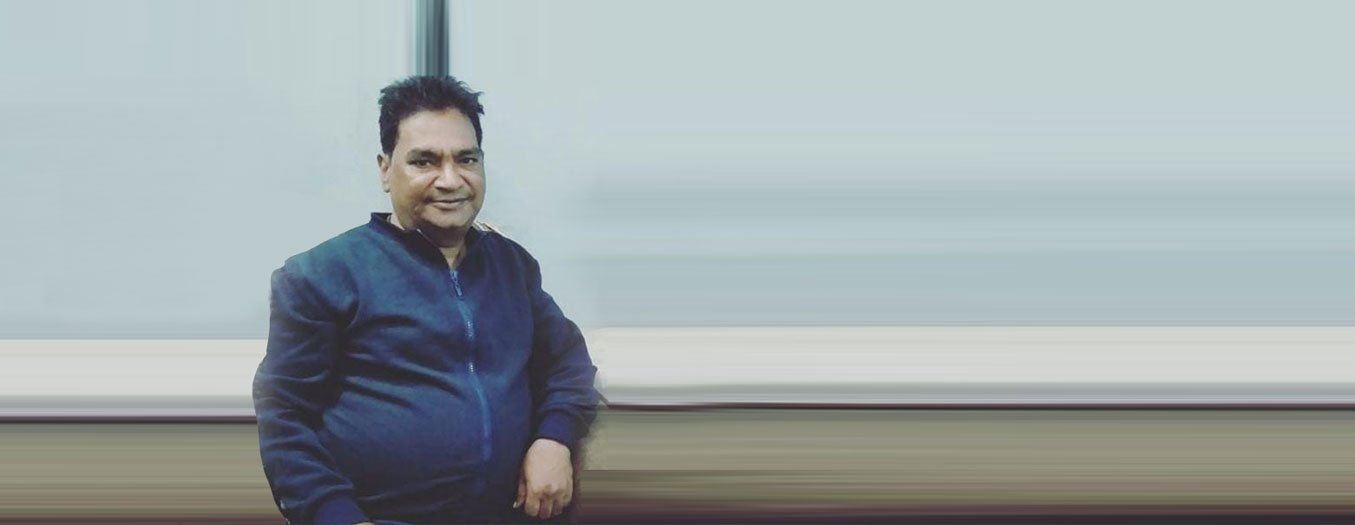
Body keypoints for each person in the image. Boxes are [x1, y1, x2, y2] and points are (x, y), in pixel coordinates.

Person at [252, 75, 601, 524]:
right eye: (425, 161)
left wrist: (555, 439)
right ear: (385, 169)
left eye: (466, 159)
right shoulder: (321, 276)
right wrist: (336, 517)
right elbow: (284, 417)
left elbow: (568, 365)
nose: (451, 180)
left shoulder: (511, 266)